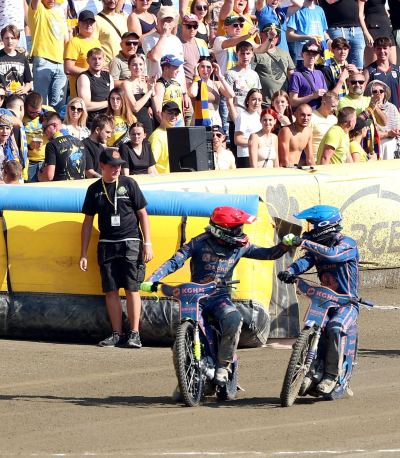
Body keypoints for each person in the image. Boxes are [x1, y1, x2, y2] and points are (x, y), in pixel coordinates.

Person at [142, 205, 290, 385]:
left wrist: (284, 245)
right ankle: (184, 382)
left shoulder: (241, 246)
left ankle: (223, 364)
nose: (240, 232)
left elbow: (268, 254)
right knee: (178, 346)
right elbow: (175, 262)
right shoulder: (198, 242)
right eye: (236, 228)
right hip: (194, 298)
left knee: (233, 318)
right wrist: (152, 279)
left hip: (220, 297)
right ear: (222, 230)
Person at [277, 205, 360, 393]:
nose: (309, 228)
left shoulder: (347, 243)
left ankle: (331, 375)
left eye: (311, 224)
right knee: (315, 326)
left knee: (335, 327)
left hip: (346, 303)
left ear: (323, 225)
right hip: (324, 301)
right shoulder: (317, 247)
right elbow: (305, 261)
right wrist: (290, 271)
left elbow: (332, 256)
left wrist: (303, 242)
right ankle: (313, 368)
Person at [80, 147, 153, 349]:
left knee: (132, 288)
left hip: (130, 243)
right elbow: (87, 222)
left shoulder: (129, 183)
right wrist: (83, 253)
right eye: (112, 166)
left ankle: (135, 333)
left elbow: (142, 214)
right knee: (111, 290)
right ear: (102, 166)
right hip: (107, 245)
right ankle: (116, 333)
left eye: (119, 165)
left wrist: (147, 243)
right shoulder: (94, 189)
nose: (117, 169)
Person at [29, 0, 68, 110]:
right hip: (43, 60)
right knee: (41, 104)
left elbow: (65, 38)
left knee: (58, 106)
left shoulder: (58, 14)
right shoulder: (38, 10)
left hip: (61, 63)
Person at [318, 0, 368, 69]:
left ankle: (355, 83)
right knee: (337, 65)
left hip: (356, 29)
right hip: (336, 29)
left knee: (357, 67)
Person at [363, 37, 400, 125]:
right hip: (377, 116)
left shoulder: (398, 69)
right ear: (374, 50)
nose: (382, 51)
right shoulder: (369, 70)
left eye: (385, 48)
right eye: (379, 48)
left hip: (394, 114)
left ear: (390, 49)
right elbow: (365, 95)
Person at [359, 0, 399, 66]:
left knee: (392, 65)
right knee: (372, 65)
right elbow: (360, 14)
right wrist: (366, 33)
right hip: (373, 28)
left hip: (386, 26)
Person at [286, 0, 329, 64]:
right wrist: (308, 38)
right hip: (303, 57)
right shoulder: (297, 10)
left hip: (320, 56)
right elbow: (289, 36)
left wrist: (329, 41)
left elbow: (323, 32)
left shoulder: (320, 10)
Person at [251, 24, 295, 108]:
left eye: (276, 34)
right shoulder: (256, 52)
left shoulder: (284, 53)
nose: (272, 36)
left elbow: (291, 75)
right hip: (264, 103)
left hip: (282, 104)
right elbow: (250, 76)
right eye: (268, 32)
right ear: (261, 34)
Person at [0, 25, 32, 94]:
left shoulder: (23, 58)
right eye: (7, 38)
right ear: (2, 39)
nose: (10, 41)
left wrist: (25, 89)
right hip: (1, 99)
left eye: (13, 38)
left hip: (18, 99)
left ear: (18, 39)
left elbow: (28, 82)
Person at [64, 10, 102, 99]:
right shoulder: (73, 42)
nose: (89, 25)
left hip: (97, 94)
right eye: (85, 22)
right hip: (80, 97)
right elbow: (68, 69)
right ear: (79, 24)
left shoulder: (97, 42)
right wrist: (91, 72)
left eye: (91, 22)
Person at [38, 110, 86, 181]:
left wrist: (40, 177)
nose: (43, 132)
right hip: (79, 189)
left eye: (44, 128)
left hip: (61, 189)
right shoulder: (79, 142)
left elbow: (49, 176)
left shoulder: (52, 145)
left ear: (54, 125)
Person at [188, 56, 234, 128]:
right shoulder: (192, 83)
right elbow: (193, 93)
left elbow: (231, 94)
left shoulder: (216, 84)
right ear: (198, 68)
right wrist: (196, 76)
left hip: (214, 119)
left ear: (212, 69)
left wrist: (220, 76)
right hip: (198, 118)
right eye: (202, 67)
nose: (205, 70)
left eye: (208, 67)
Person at [224, 41, 262, 125]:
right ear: (236, 54)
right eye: (242, 54)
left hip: (253, 119)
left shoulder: (254, 74)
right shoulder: (230, 74)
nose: (245, 57)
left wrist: (260, 119)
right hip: (238, 117)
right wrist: (237, 122)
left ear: (252, 54)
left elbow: (258, 101)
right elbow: (230, 102)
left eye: (248, 53)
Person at [144, 6, 185, 80]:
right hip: (158, 85)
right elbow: (154, 57)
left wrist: (184, 90)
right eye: (164, 20)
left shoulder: (176, 40)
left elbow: (181, 69)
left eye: (170, 20)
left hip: (176, 87)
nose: (166, 23)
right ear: (158, 20)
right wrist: (163, 35)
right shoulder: (148, 38)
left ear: (175, 22)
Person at [94, 0, 129, 66]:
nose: (112, 0)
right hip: (107, 66)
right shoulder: (96, 20)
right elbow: (94, 46)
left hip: (124, 65)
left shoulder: (122, 18)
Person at [77, 47, 114, 122]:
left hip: (109, 119)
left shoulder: (108, 76)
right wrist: (109, 103)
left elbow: (113, 97)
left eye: (100, 59)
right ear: (88, 61)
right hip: (92, 120)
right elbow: (86, 105)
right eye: (94, 59)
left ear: (103, 60)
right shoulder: (84, 77)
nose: (97, 62)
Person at [289, 42, 328, 110]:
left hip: (319, 114)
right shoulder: (296, 75)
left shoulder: (320, 73)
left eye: (314, 54)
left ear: (318, 56)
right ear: (302, 55)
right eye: (308, 54)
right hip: (304, 115)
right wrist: (313, 96)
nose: (311, 57)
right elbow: (292, 102)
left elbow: (326, 95)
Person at [233, 88, 263, 167]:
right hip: (245, 156)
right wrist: (254, 143)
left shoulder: (259, 117)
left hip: (258, 155)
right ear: (247, 100)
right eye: (253, 99)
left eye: (259, 100)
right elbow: (237, 140)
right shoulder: (242, 116)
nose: (256, 103)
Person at [147, 101, 180, 173]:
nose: (174, 116)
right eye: (170, 113)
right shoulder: (157, 137)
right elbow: (151, 166)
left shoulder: (176, 135)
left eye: (176, 114)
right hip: (163, 179)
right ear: (162, 114)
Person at [179, 14, 210, 87]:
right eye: (188, 26)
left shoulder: (202, 43)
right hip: (185, 87)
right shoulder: (176, 42)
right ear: (181, 27)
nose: (192, 29)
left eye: (195, 26)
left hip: (202, 85)